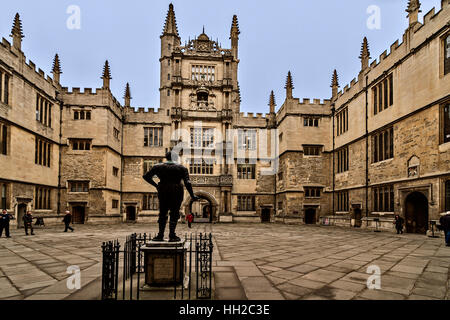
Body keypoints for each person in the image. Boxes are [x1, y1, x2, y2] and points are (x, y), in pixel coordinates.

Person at [143, 150, 199, 242]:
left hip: (163, 190)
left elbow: (146, 176)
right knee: (174, 213)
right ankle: (172, 235)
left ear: (166, 157)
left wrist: (156, 185)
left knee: (162, 213)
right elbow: (187, 182)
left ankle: (160, 235)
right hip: (177, 191)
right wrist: (192, 195)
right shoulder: (182, 168)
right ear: (176, 158)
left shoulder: (157, 167)